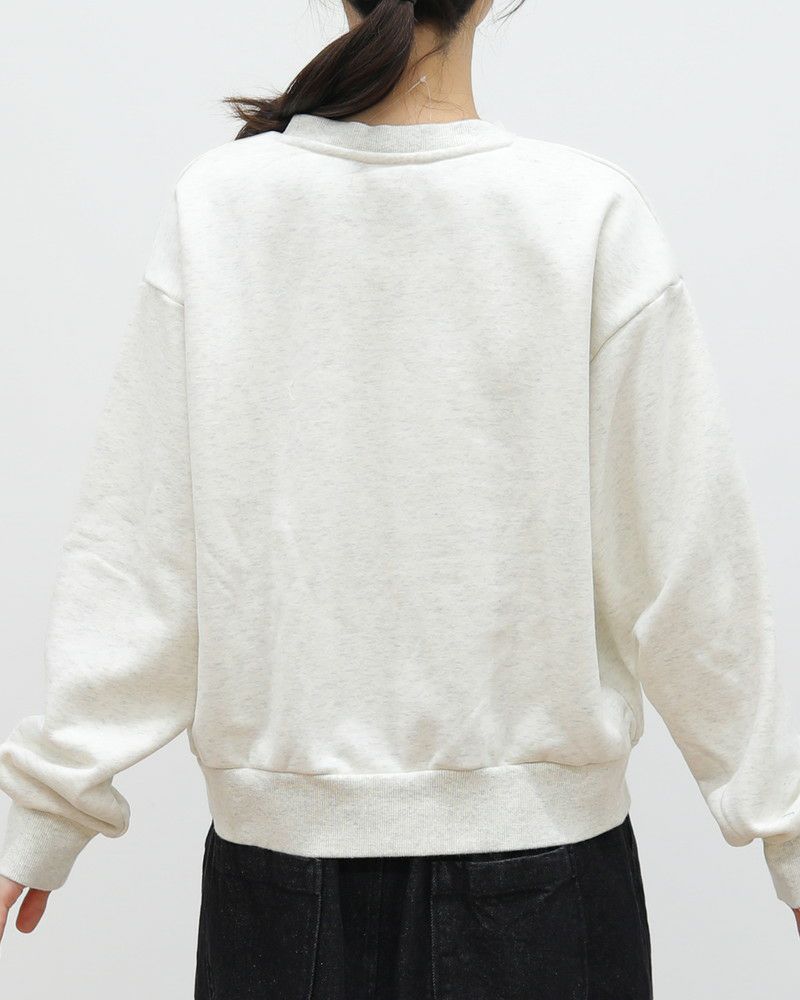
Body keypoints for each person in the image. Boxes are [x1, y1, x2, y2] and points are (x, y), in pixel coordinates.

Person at [0, 0, 798, 995]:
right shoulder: (581, 213)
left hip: (280, 895)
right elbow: (685, 569)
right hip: (545, 893)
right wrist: (785, 824)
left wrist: (47, 803)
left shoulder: (224, 209)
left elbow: (139, 555)